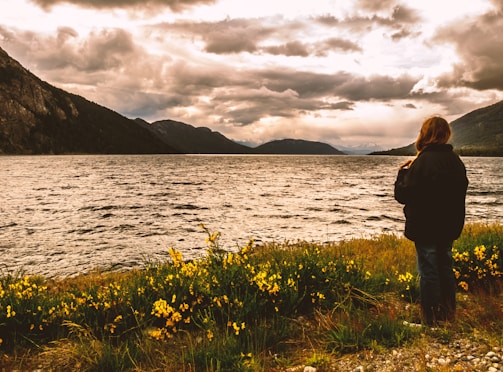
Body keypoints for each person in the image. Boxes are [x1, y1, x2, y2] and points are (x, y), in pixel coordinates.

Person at [394, 116, 468, 326]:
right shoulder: (455, 160)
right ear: (446, 135)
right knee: (444, 266)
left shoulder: (422, 162)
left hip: (426, 227)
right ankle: (447, 315)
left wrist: (402, 174)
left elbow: (403, 196)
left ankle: (431, 320)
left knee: (428, 270)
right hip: (449, 226)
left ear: (425, 134)